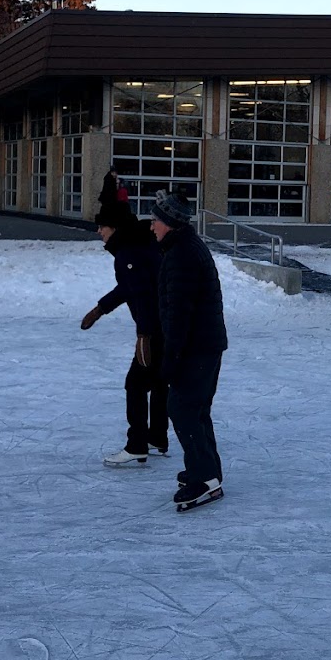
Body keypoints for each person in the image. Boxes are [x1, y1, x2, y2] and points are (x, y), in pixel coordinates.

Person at [150, 190, 228, 511]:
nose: (151, 225)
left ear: (169, 223)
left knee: (182, 409)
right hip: (205, 345)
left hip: (196, 347)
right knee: (195, 409)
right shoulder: (183, 247)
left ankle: (204, 478)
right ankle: (208, 472)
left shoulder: (181, 254)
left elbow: (179, 314)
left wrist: (170, 359)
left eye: (155, 220)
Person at [80, 202, 169, 466]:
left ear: (115, 228)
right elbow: (129, 287)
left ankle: (137, 445)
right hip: (166, 324)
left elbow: (142, 293)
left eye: (102, 226)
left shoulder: (128, 253)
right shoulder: (139, 244)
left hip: (155, 327)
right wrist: (101, 308)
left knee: (136, 384)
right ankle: (156, 438)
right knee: (158, 381)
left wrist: (144, 335)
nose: (99, 232)